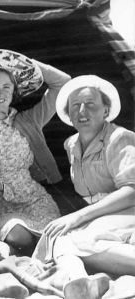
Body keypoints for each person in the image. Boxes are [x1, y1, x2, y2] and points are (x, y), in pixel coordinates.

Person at [0, 49, 70, 255]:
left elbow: (63, 82)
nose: (0, 93)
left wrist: (24, 63)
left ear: (14, 91)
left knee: (57, 239)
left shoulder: (29, 120)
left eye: (6, 87)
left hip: (35, 201)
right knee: (19, 238)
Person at [34, 75, 135, 299]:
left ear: (106, 111)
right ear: (68, 114)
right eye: (75, 106)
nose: (82, 111)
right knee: (57, 239)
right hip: (105, 215)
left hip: (129, 211)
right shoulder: (70, 145)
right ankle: (82, 282)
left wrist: (78, 218)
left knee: (81, 241)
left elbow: (131, 191)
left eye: (90, 105)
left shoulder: (120, 138)